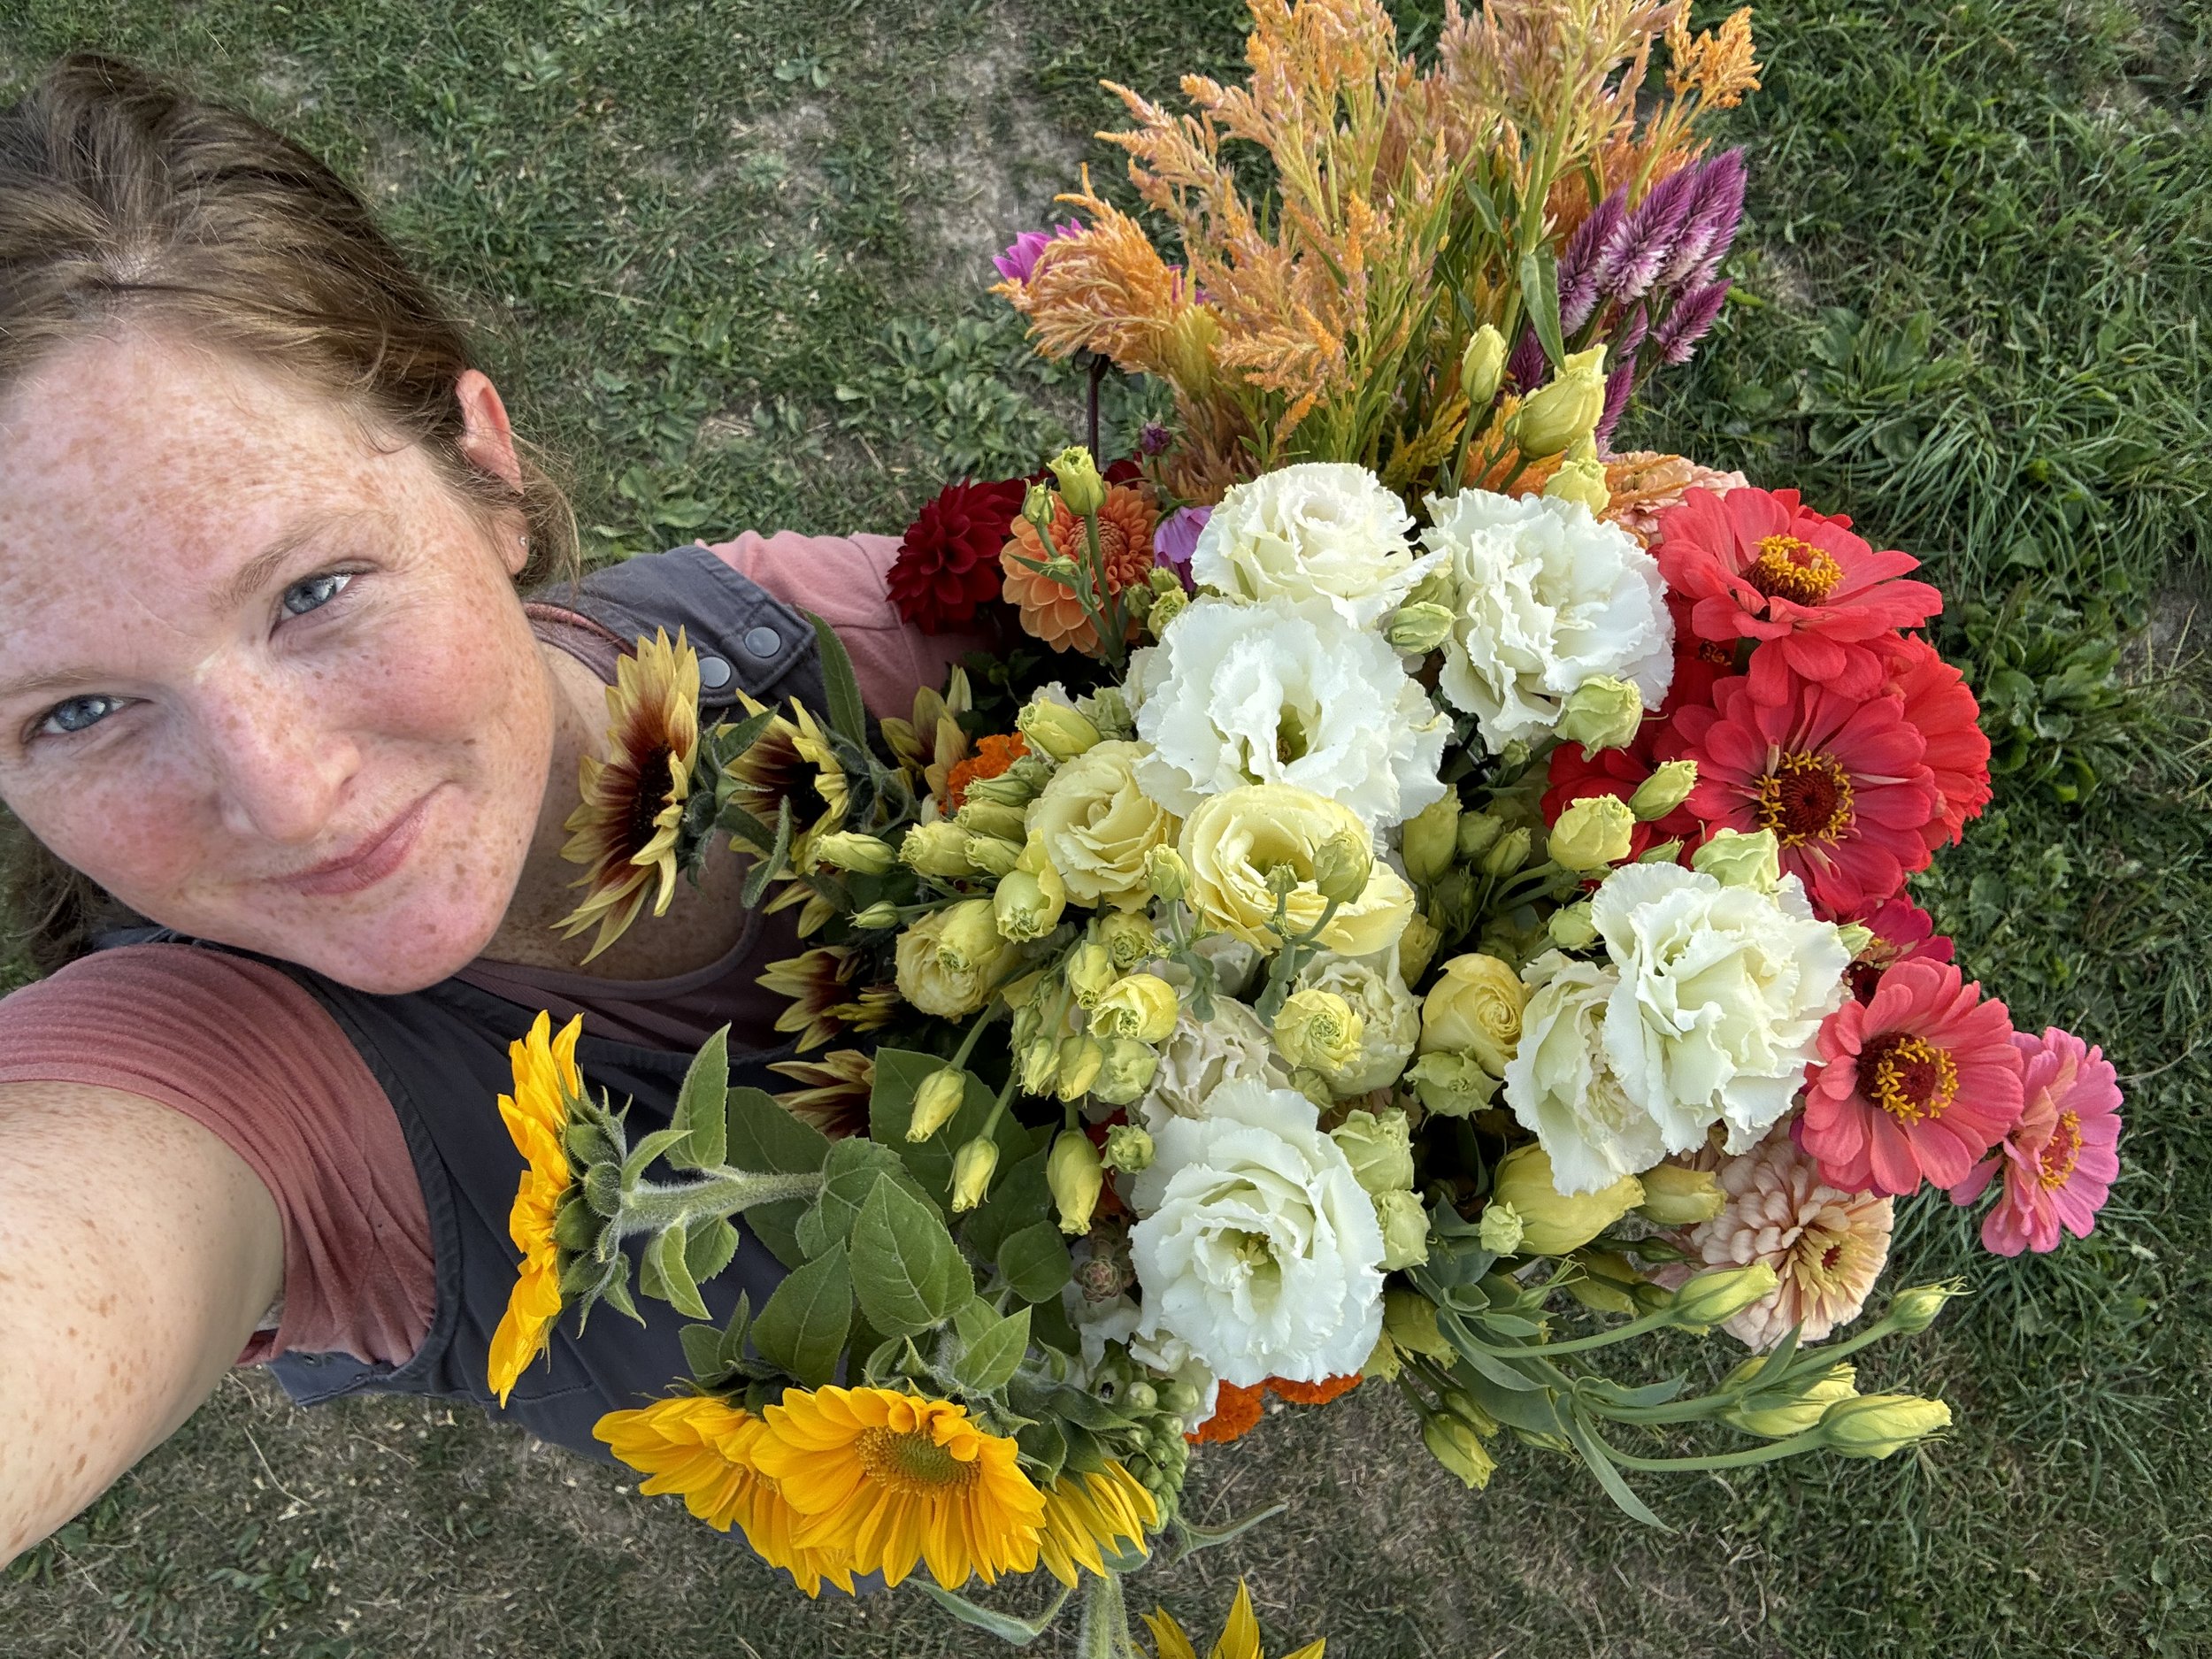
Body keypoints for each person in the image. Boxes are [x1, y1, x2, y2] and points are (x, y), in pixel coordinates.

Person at [0, 54, 987, 1567]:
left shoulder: (880, 648)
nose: (287, 792)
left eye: (311, 592)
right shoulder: (230, 1075)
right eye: (77, 710)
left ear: (487, 466)